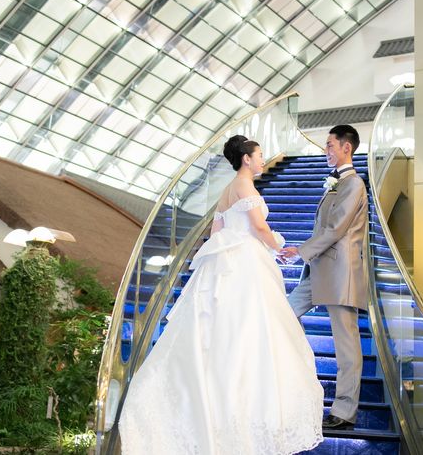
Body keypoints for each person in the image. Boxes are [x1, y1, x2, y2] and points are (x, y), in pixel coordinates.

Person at [119, 135, 324, 455]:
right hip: (246, 262)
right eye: (259, 155)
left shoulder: (228, 189)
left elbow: (216, 232)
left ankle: (211, 403)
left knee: (221, 330)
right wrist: (279, 249)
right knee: (248, 329)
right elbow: (258, 227)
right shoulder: (245, 186)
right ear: (246, 159)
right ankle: (240, 410)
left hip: (226, 260)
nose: (262, 160)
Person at [280, 124, 368, 430]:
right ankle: (292, 385)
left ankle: (344, 412)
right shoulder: (336, 183)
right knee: (282, 314)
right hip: (318, 270)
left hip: (340, 274)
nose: (326, 150)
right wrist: (304, 252)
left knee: (346, 347)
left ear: (346, 147)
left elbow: (336, 229)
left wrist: (300, 251)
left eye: (330, 145)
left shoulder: (354, 184)